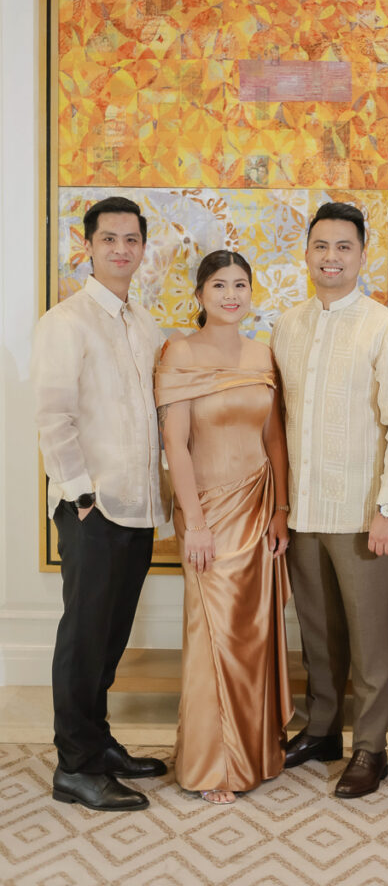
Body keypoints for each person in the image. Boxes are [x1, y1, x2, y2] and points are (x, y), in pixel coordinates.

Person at [271, 202, 388, 798]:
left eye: (343, 247)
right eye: (321, 246)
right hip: (303, 509)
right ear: (307, 253)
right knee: (318, 633)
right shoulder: (287, 325)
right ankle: (321, 730)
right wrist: (282, 506)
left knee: (369, 638)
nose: (330, 257)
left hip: (362, 513)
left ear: (362, 254)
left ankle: (371, 747)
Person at [32, 197, 171, 812]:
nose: (121, 248)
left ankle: (98, 741)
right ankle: (75, 767)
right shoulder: (66, 322)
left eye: (131, 239)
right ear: (87, 246)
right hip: (93, 506)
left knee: (111, 635)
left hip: (137, 507)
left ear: (142, 248)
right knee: (84, 637)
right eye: (109, 238)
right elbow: (53, 416)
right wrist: (82, 494)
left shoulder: (145, 324)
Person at [155, 250, 293, 804]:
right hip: (207, 514)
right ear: (200, 295)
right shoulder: (180, 352)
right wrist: (194, 523)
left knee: (251, 636)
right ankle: (213, 764)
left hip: (258, 508)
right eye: (219, 285)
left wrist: (281, 510)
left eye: (240, 285)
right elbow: (175, 444)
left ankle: (255, 754)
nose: (231, 295)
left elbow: (275, 438)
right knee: (213, 636)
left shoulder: (263, 353)